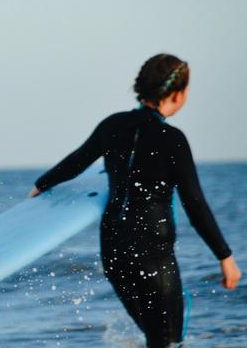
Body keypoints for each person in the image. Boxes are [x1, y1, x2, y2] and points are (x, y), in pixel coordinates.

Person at [28, 54, 240, 348]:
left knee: (154, 338)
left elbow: (75, 162)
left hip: (114, 251)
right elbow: (195, 205)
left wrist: (41, 185)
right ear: (177, 94)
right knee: (167, 343)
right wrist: (225, 257)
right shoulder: (172, 138)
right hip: (152, 255)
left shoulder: (112, 126)